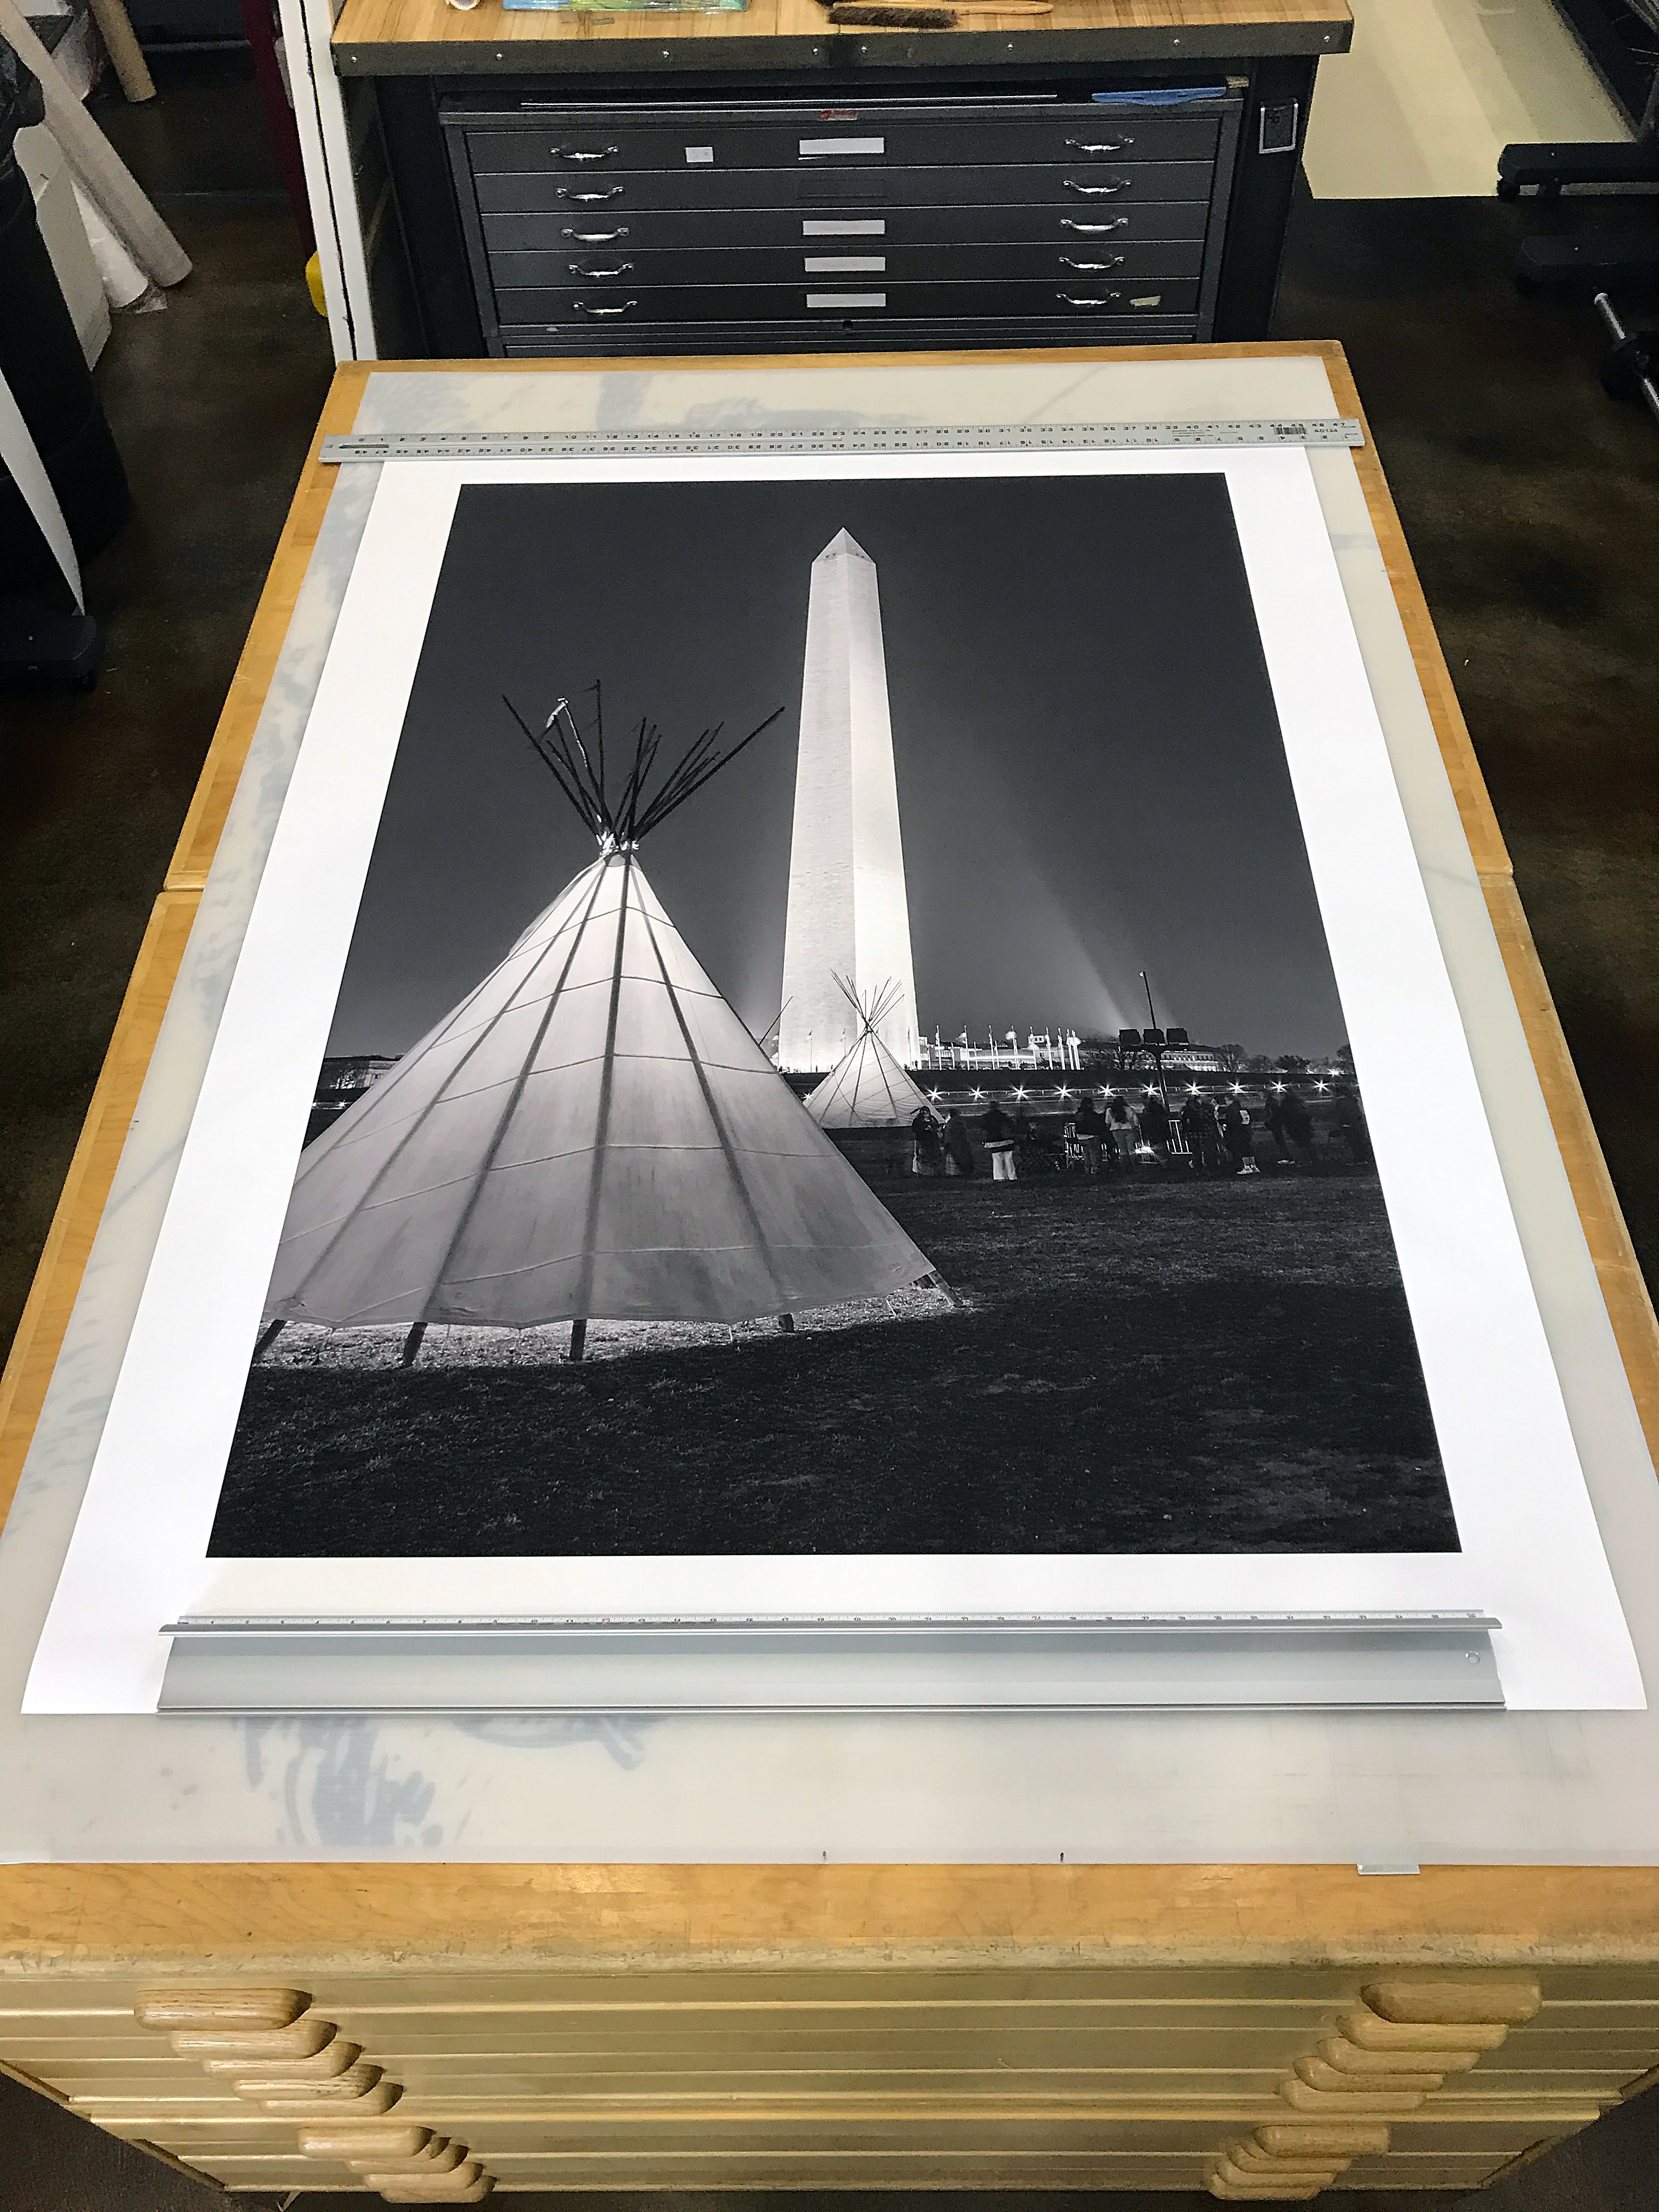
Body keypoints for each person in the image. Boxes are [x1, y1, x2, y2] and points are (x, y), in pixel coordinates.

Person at [1179, 1091, 1226, 1173]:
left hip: (1192, 1134)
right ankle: (1210, 1169)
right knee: (1208, 1151)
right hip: (1205, 1133)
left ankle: (1198, 1170)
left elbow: (1183, 1121)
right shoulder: (1203, 1109)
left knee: (1196, 1153)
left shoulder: (1186, 1109)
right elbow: (1210, 1119)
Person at [1331, 1081, 1373, 1167]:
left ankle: (1359, 1159)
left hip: (1348, 1126)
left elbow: (1341, 1115)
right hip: (1357, 1124)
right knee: (1360, 1142)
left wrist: (1344, 1124)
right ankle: (1364, 1159)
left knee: (1354, 1143)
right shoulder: (1352, 1100)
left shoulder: (1341, 1103)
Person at [1219, 1094, 1259, 1175]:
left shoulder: (1232, 1110)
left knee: (1242, 1150)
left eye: (1227, 1100)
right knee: (1249, 1149)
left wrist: (1222, 1122)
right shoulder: (1243, 1109)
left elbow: (1232, 1122)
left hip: (1238, 1132)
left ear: (1231, 1100)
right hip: (1247, 1131)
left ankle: (1246, 1167)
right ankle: (1254, 1167)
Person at [980, 1099, 1017, 1182]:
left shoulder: (986, 1117)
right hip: (1006, 1139)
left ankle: (999, 1177)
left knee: (997, 1158)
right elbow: (1011, 1125)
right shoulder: (1003, 1116)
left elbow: (983, 1128)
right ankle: (1011, 1176)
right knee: (1009, 1158)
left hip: (993, 1140)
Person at [1279, 1085, 1317, 1166]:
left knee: (1300, 1145)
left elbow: (1284, 1115)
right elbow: (1307, 1113)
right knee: (1307, 1144)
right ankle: (1313, 1160)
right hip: (1304, 1126)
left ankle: (1304, 1161)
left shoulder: (1285, 1104)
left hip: (1294, 1126)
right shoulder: (1299, 1102)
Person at [1071, 1091, 1106, 1175]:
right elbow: (1097, 1123)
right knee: (1094, 1153)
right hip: (1091, 1136)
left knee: (1086, 1154)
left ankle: (1087, 1169)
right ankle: (1095, 1169)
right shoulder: (1091, 1114)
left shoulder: (1079, 1114)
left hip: (1081, 1136)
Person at [910, 1104, 945, 1177]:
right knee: (921, 1156)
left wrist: (934, 1129)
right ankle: (921, 1172)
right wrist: (924, 1128)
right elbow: (914, 1129)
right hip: (922, 1141)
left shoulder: (932, 1118)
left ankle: (933, 1172)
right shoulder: (917, 1120)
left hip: (932, 1141)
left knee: (933, 1156)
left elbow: (937, 1126)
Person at [941, 1107, 977, 1178]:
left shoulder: (952, 1123)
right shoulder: (959, 1121)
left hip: (955, 1143)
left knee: (957, 1157)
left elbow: (949, 1133)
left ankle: (957, 1172)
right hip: (960, 1143)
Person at [1137, 1089, 1171, 1161]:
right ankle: (1164, 1161)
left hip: (1155, 1130)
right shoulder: (1157, 1107)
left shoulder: (1149, 1109)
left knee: (1158, 1146)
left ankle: (1162, 1161)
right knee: (1160, 1146)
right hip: (1159, 1129)